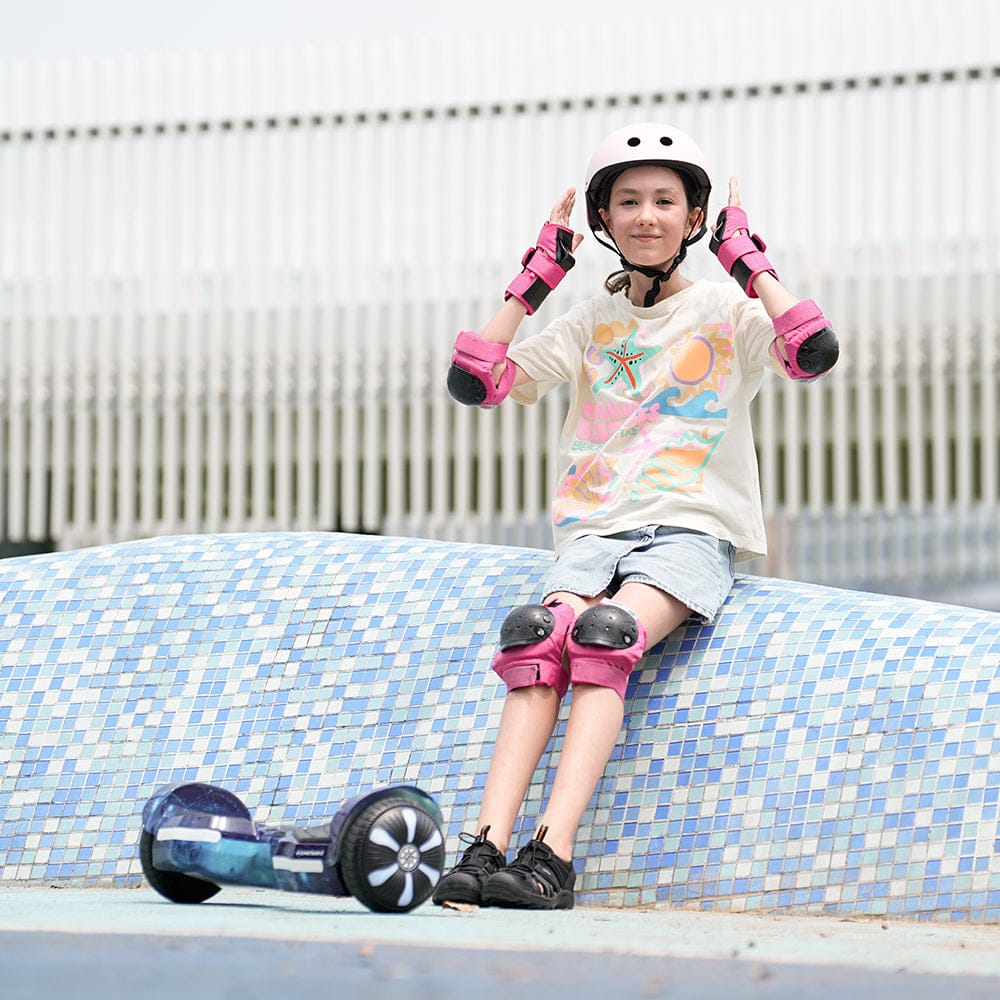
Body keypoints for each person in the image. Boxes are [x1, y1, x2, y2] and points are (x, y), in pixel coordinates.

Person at [433, 122, 839, 910]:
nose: (645, 216)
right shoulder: (590, 321)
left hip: (689, 528)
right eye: (627, 201)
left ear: (695, 220)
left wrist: (751, 264)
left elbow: (812, 350)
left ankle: (550, 854)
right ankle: (484, 847)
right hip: (595, 529)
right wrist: (534, 282)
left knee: (602, 637)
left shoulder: (728, 311)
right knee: (535, 640)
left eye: (665, 200)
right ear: (603, 221)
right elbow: (475, 381)